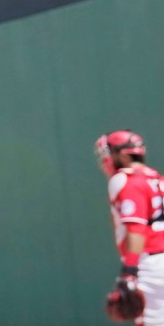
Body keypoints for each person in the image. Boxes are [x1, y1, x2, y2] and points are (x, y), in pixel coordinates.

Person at [96, 130, 164, 325]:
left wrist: (129, 271)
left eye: (110, 153)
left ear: (124, 155)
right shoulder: (157, 179)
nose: (106, 159)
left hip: (152, 265)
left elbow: (136, 228)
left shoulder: (126, 180)